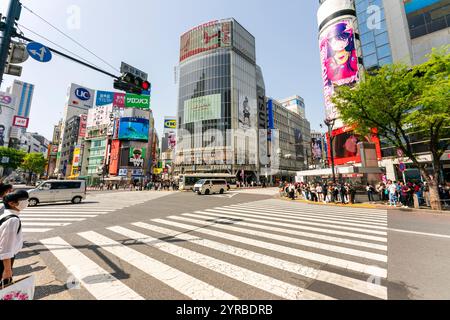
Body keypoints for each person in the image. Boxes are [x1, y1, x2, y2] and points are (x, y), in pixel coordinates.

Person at [0, 190, 29, 286]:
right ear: (11, 203)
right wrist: (7, 270)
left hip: (4, 259)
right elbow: (5, 249)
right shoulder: (13, 220)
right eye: (23, 200)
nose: (26, 202)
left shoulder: (5, 214)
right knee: (3, 286)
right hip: (3, 261)